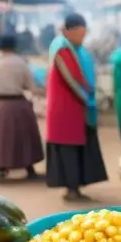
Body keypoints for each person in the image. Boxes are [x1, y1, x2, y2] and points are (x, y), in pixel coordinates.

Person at [45, 13, 107, 202]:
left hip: (74, 107)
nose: (83, 38)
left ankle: (76, 188)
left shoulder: (73, 47)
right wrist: (88, 100)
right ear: (69, 31)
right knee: (68, 149)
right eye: (80, 34)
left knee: (77, 147)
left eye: (84, 34)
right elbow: (71, 79)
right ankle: (72, 189)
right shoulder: (62, 49)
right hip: (67, 108)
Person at [0, 32, 44, 182]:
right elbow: (30, 86)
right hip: (18, 103)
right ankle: (29, 168)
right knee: (25, 138)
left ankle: (0, 169)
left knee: (0, 139)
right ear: (15, 46)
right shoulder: (21, 63)